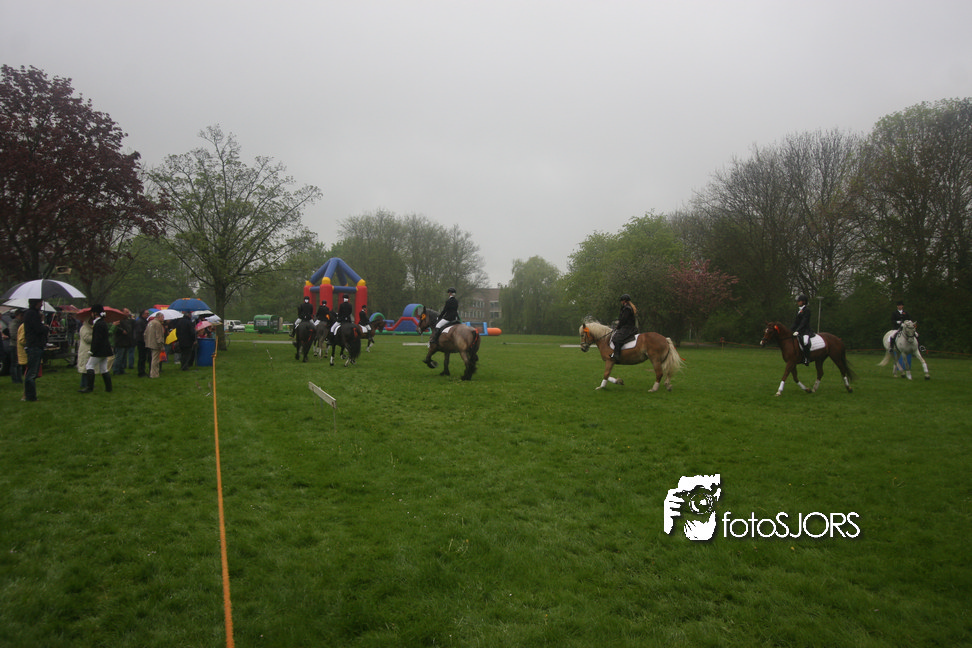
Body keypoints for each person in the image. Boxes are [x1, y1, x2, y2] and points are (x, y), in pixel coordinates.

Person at [81, 304, 114, 393]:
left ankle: (89, 387)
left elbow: (97, 339)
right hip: (105, 350)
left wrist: (93, 350)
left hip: (99, 350)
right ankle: (109, 388)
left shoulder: (98, 324)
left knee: (89, 366)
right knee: (104, 369)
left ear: (95, 313)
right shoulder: (102, 322)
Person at [22, 298, 49, 402]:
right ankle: (30, 396)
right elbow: (38, 329)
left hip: (34, 345)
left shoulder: (31, 313)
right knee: (32, 373)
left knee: (32, 372)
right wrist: (45, 328)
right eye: (40, 302)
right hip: (34, 345)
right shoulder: (32, 314)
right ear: (36, 303)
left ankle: (29, 395)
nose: (41, 304)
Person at [609, 294, 638, 360]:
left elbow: (623, 319)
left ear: (624, 301)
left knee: (616, 338)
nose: (621, 302)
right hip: (628, 327)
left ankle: (617, 355)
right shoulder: (628, 307)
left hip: (627, 328)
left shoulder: (627, 308)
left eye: (621, 301)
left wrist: (618, 326)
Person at [791, 294, 814, 366]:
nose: (798, 302)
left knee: (805, 342)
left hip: (806, 331)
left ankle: (807, 358)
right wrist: (790, 330)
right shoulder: (799, 311)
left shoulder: (807, 310)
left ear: (803, 302)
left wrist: (797, 330)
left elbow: (804, 322)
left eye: (799, 301)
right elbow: (796, 323)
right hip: (799, 330)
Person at [3, 308, 24, 383]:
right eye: (21, 315)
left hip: (18, 345)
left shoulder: (20, 323)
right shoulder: (14, 324)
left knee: (19, 363)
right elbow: (13, 335)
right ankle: (15, 379)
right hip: (14, 345)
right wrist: (21, 337)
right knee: (15, 363)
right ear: (17, 315)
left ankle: (19, 379)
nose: (22, 317)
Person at [112, 309, 134, 375]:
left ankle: (121, 369)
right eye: (126, 312)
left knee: (123, 357)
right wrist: (122, 331)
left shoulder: (127, 320)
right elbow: (115, 327)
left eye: (128, 312)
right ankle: (116, 369)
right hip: (120, 341)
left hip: (126, 340)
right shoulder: (118, 320)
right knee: (119, 356)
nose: (128, 313)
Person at [76, 312, 93, 392]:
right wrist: (95, 336)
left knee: (88, 368)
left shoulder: (90, 328)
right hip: (85, 350)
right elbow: (87, 339)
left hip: (89, 350)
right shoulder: (84, 328)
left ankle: (87, 384)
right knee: (86, 368)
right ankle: (85, 384)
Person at [145, 311, 165, 378]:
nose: (163, 319)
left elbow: (145, 333)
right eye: (162, 317)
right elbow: (158, 336)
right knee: (155, 360)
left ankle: (153, 373)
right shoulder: (158, 324)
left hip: (149, 343)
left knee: (153, 358)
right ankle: (154, 374)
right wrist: (161, 345)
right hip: (156, 344)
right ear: (159, 317)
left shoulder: (150, 322)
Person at [134, 309, 149, 377]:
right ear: (142, 314)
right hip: (141, 341)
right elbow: (140, 332)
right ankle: (141, 372)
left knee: (143, 357)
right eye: (146, 314)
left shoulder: (144, 321)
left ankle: (142, 370)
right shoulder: (140, 322)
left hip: (143, 341)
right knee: (142, 357)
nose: (148, 315)